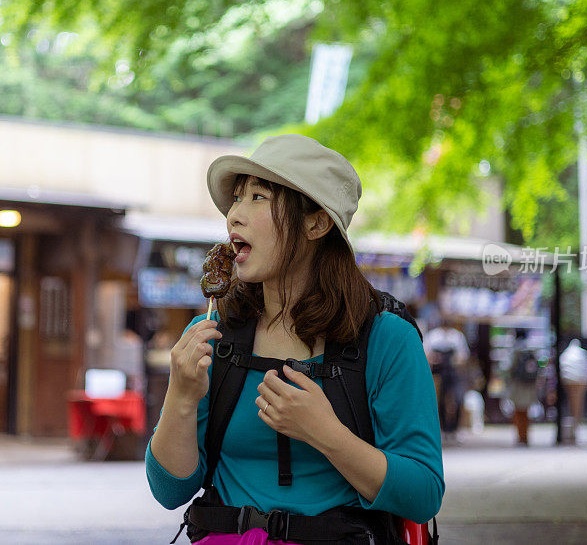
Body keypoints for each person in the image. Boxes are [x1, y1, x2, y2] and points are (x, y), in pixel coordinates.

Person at [145, 134, 445, 544]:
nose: (234, 214)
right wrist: (180, 394)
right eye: (236, 198)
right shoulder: (213, 337)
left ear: (316, 223)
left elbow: (423, 494)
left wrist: (327, 434)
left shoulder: (386, 338)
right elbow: (170, 491)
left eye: (258, 197)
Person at [423, 319, 470, 444]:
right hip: (438, 373)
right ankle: (443, 429)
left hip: (454, 372)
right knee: (439, 400)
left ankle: (454, 429)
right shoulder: (433, 336)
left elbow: (463, 356)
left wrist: (456, 361)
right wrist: (435, 359)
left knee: (458, 399)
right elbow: (426, 354)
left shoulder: (457, 336)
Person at [505, 329, 539, 446]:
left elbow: (509, 367)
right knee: (526, 412)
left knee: (518, 411)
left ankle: (520, 437)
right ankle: (526, 436)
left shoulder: (515, 350)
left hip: (518, 385)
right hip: (529, 385)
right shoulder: (531, 349)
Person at [558, 339, 587, 444]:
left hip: (570, 380)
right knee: (577, 405)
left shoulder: (566, 355)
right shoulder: (583, 354)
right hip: (581, 380)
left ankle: (574, 428)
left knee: (574, 405)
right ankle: (575, 427)